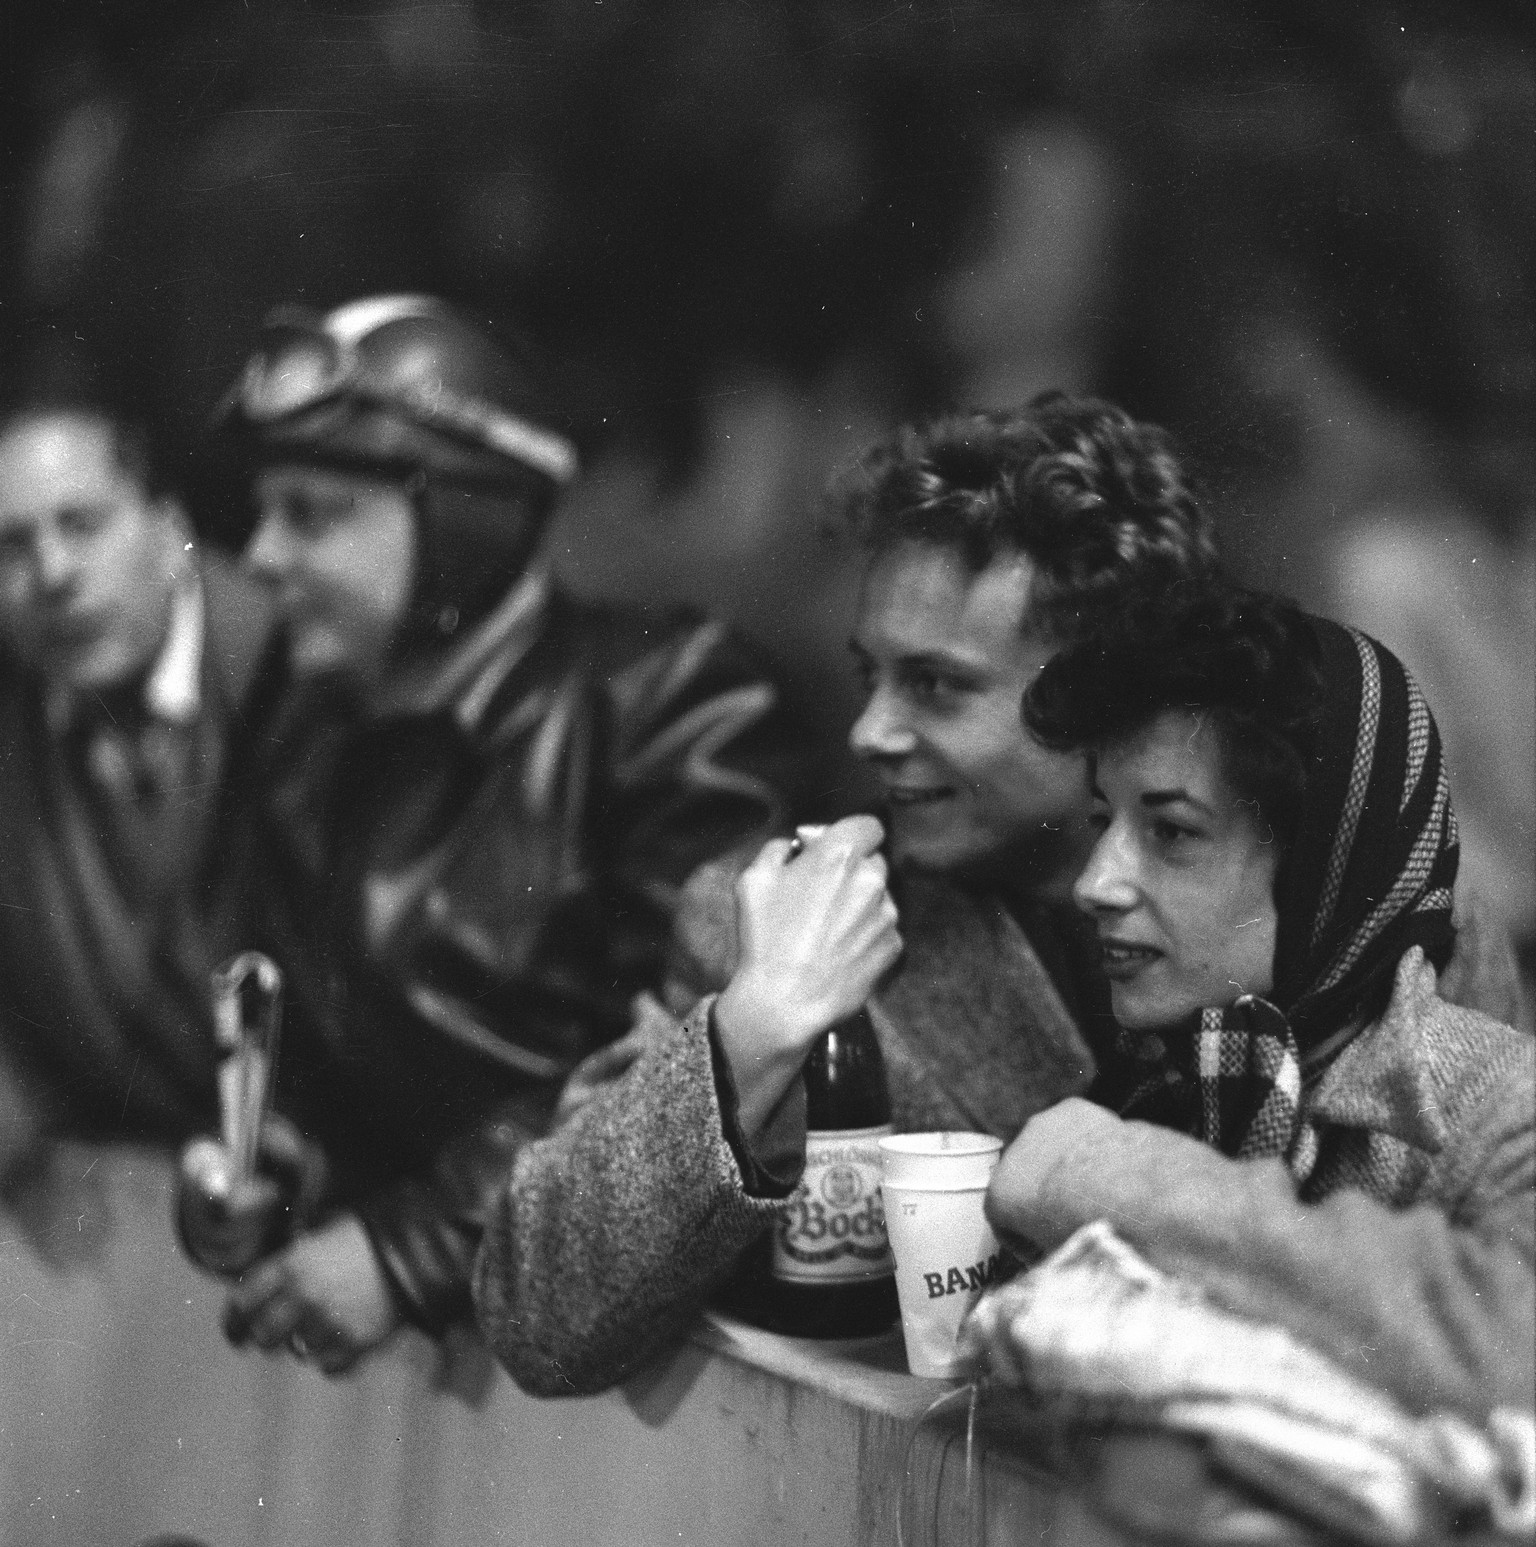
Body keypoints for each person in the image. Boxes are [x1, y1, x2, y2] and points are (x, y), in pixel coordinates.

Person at [474, 395, 1227, 1393]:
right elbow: (537, 1309)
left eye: (937, 685)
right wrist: (755, 1028)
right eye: (869, 674)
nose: (870, 730)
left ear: (1112, 693)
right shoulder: (782, 919)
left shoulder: (1305, 924)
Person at [180, 294, 794, 1376]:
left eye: (314, 514)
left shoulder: (670, 704)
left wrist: (409, 1249)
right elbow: (289, 1008)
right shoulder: (303, 720)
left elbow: (679, 1065)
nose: (263, 554)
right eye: (266, 510)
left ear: (461, 517)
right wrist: (274, 1152)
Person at [985, 584, 1533, 1420]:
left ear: (1325, 863)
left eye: (1171, 832)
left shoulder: (1500, 1108)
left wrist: (1120, 1180)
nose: (1097, 882)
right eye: (1104, 821)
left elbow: (1512, 1354)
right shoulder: (1161, 1086)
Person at [0, 398, 277, 1188]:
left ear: (168, 529)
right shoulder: (14, 715)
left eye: (82, 525)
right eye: (12, 547)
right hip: (108, 1189)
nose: (51, 574)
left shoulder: (287, 673)